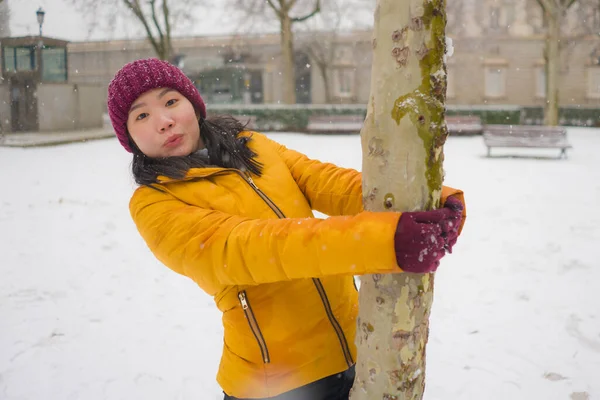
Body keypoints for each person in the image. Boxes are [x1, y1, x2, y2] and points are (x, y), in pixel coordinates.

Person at [107, 58, 466, 400]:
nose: (164, 120)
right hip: (277, 385)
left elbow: (327, 183)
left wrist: (429, 202)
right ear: (130, 139)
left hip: (358, 352)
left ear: (194, 103)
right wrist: (387, 240)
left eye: (171, 100)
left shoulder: (252, 147)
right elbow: (256, 248)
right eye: (142, 115)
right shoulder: (154, 204)